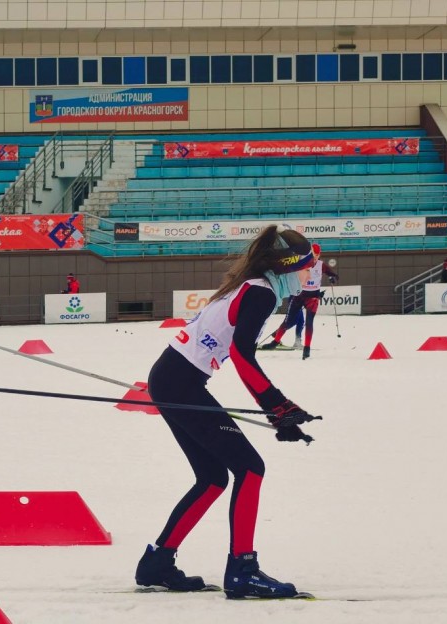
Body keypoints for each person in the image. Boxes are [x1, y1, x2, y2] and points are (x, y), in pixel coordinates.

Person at [134, 226, 321, 599]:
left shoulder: (254, 285)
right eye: (305, 267)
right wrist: (277, 406)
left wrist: (278, 409)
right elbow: (241, 354)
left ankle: (158, 562)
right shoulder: (261, 293)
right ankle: (242, 569)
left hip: (173, 380)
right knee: (251, 469)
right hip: (180, 384)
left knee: (213, 478)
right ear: (286, 267)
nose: (308, 274)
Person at [259, 243, 338, 360]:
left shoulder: (321, 266)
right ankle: (275, 342)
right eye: (312, 254)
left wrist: (333, 278)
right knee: (288, 321)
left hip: (312, 298)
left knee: (309, 322)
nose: (314, 257)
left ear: (319, 255)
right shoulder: (301, 262)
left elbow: (335, 275)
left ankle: (307, 348)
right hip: (298, 296)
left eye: (316, 255)